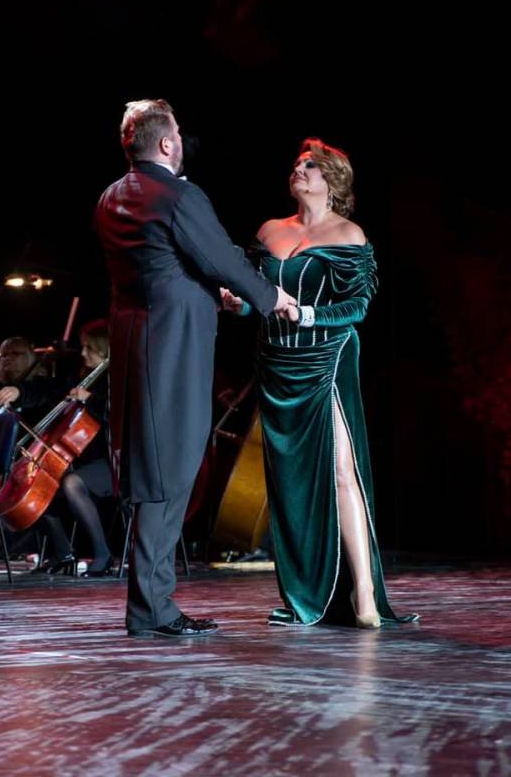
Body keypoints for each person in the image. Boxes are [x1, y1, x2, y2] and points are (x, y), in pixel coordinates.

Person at [94, 98, 296, 638]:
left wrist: (212, 295)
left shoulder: (111, 197)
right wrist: (270, 296)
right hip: (173, 347)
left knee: (152, 469)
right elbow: (220, 258)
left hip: (135, 343)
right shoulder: (178, 194)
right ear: (166, 143)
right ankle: (152, 609)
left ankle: (151, 606)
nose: (182, 141)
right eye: (178, 133)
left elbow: (161, 265)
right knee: (171, 468)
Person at [224, 137, 418, 629]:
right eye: (296, 164)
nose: (299, 169)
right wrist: (237, 303)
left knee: (341, 470)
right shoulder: (270, 230)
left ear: (332, 180)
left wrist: (306, 313)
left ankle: (364, 593)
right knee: (289, 482)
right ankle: (305, 594)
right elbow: (255, 298)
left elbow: (357, 307)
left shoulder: (348, 233)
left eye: (310, 166)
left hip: (325, 358)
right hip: (275, 362)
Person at [0, 321, 113, 577]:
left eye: (89, 349)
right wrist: (18, 391)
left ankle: (103, 554)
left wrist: (90, 399)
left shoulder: (117, 379)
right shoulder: (83, 377)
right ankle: (63, 553)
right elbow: (48, 389)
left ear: (105, 350)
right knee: (41, 488)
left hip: (114, 462)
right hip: (83, 461)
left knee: (71, 484)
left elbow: (122, 417)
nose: (83, 353)